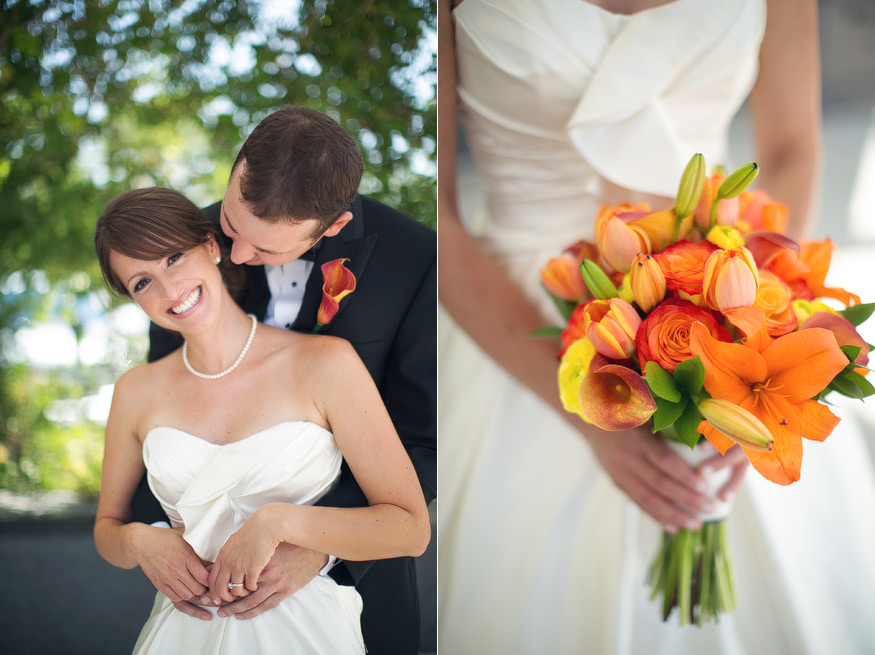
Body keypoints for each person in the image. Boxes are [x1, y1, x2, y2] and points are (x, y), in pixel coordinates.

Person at [438, 0, 875, 653]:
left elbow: (787, 151)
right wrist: (586, 411)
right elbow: (433, 212)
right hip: (528, 304)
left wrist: (752, 330)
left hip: (723, 269)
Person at [128, 107, 436, 654]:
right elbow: (161, 409)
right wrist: (151, 535)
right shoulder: (183, 249)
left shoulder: (417, 261)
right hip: (204, 590)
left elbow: (424, 442)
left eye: (266, 249)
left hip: (358, 580)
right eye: (230, 223)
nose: (237, 256)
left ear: (334, 227)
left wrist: (320, 544)